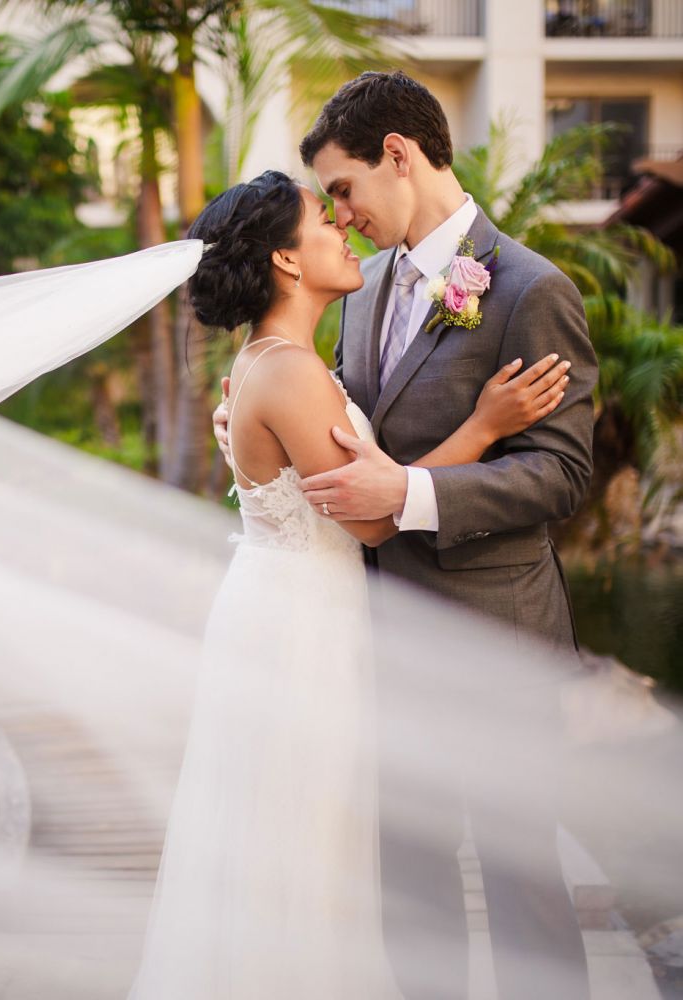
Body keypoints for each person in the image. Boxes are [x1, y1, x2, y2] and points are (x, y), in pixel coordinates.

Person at [129, 169, 571, 1000]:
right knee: (302, 841)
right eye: (320, 219)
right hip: (300, 628)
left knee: (299, 838)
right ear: (287, 263)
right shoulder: (288, 371)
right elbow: (371, 518)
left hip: (299, 609)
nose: (341, 225)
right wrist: (484, 427)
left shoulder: (284, 362)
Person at [213, 71, 596, 1000]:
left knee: (523, 892)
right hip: (366, 640)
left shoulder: (529, 289)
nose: (339, 217)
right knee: (407, 896)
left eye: (342, 189)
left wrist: (415, 493)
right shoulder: (365, 283)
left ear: (398, 154)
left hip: (492, 636)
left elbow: (563, 474)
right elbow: (342, 433)